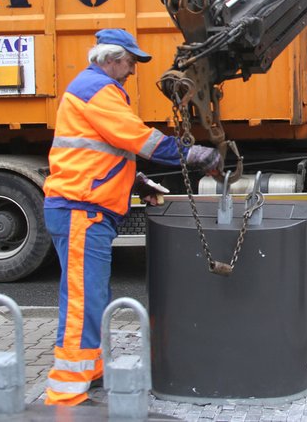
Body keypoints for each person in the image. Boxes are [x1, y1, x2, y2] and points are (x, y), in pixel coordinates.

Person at [42, 28, 220, 406]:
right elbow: (139, 139)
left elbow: (103, 150)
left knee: (93, 297)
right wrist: (193, 154)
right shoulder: (98, 89)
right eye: (130, 62)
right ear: (110, 58)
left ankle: (89, 373)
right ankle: (65, 393)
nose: (133, 70)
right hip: (81, 210)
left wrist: (133, 181)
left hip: (86, 209)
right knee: (82, 300)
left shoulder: (94, 89)